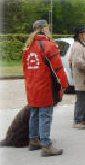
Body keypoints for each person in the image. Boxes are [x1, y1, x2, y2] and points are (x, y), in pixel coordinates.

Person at [23, 20, 68, 157]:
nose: (50, 29)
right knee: (45, 116)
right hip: (45, 88)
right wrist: (64, 85)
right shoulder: (49, 46)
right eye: (48, 27)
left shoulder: (28, 47)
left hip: (32, 88)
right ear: (44, 29)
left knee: (34, 114)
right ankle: (46, 145)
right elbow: (58, 69)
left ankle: (34, 140)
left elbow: (25, 70)